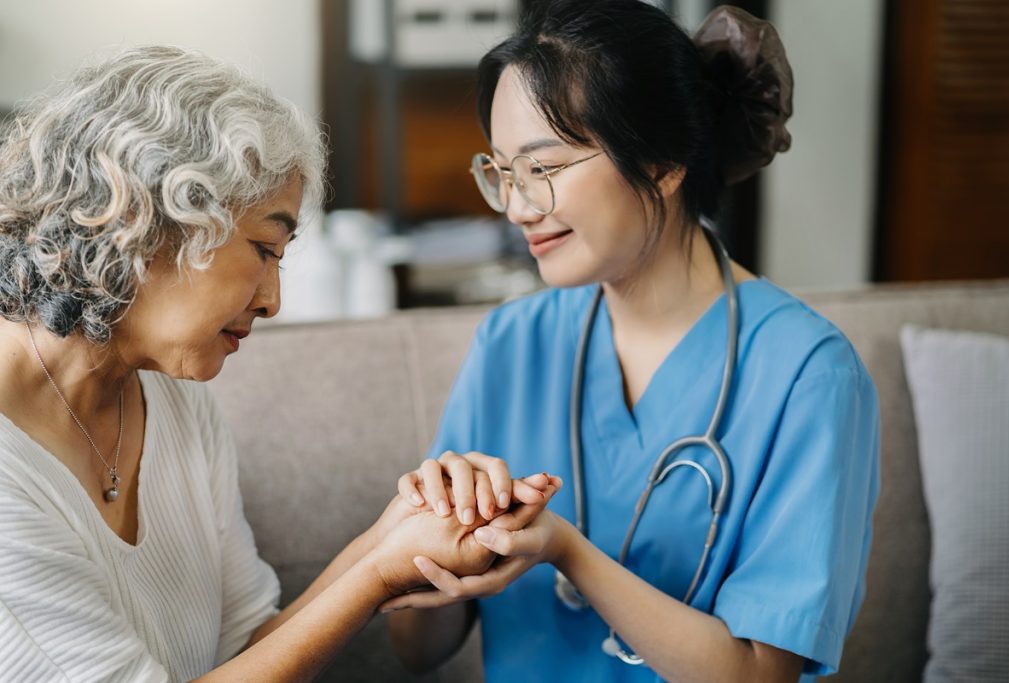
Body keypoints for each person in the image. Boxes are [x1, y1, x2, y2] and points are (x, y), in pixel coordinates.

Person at [0, 46, 557, 682]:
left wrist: (394, 535)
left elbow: (249, 640)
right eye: (265, 249)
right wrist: (376, 574)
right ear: (145, 220)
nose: (272, 301)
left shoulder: (177, 400)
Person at [387, 2, 880, 682]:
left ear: (662, 161)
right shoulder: (511, 344)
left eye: (544, 166)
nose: (515, 205)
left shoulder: (808, 375)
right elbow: (417, 648)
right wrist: (437, 536)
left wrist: (567, 550)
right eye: (501, 170)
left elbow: (761, 673)